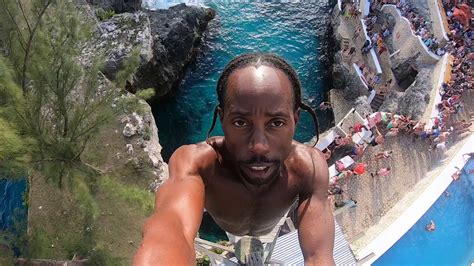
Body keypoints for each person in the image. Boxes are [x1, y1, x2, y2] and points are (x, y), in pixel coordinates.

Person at [134, 53, 335, 265]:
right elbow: (172, 227)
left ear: (295, 119)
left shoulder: (309, 168)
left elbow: (319, 256)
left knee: (266, 244)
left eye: (276, 123)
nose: (259, 146)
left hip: (263, 228)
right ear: (222, 118)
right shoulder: (198, 164)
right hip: (237, 229)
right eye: (240, 122)